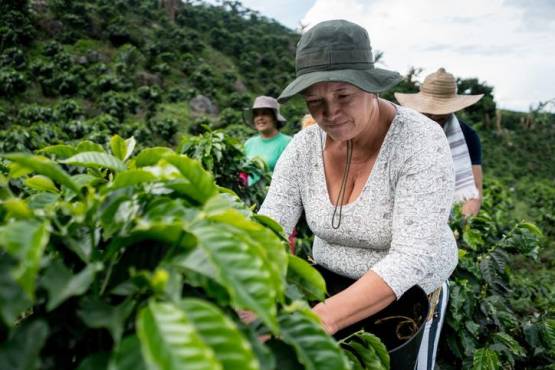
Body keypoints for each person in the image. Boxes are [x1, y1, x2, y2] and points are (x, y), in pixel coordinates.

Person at [258, 20, 457, 370]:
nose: (330, 114)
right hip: (327, 288)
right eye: (315, 101)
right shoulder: (305, 147)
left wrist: (320, 320)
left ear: (370, 87)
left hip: (406, 300)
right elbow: (270, 222)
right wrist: (249, 291)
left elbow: (410, 257)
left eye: (343, 96)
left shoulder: (419, 142)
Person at [395, 68, 483, 218]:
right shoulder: (401, 129)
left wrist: (461, 222)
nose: (435, 114)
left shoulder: (468, 137)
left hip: (446, 218)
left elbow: (474, 192)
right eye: (429, 111)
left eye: (441, 111)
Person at [244, 96, 292, 185]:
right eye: (256, 114)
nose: (260, 118)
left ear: (274, 118)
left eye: (265, 113)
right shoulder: (249, 144)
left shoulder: (288, 143)